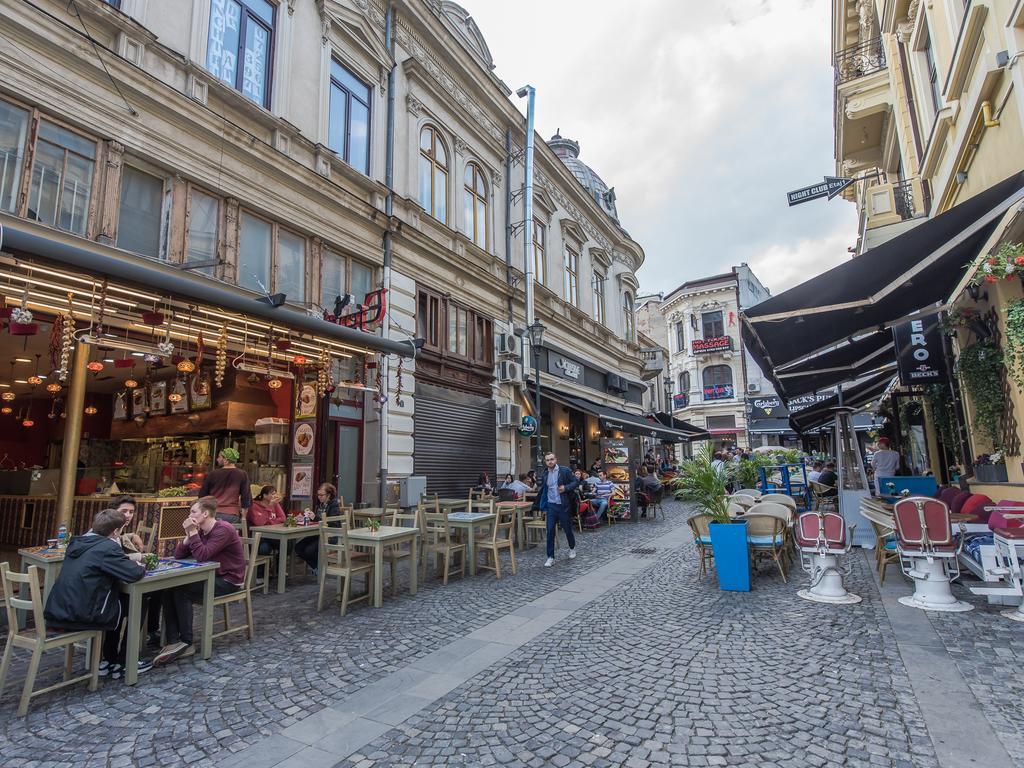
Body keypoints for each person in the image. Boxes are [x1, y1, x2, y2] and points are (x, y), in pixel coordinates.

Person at [44, 508, 148, 679]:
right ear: (115, 531)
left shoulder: (76, 543)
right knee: (138, 601)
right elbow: (134, 574)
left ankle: (108, 660)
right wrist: (140, 564)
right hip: (83, 614)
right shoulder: (107, 547)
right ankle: (124, 662)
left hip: (59, 610)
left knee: (119, 600)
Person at [154, 497, 245, 666]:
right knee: (169, 589)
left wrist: (193, 533)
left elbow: (202, 555)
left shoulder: (223, 529)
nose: (189, 515)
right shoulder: (201, 530)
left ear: (205, 513)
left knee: (182, 592)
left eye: (193, 512)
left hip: (228, 579)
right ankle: (174, 640)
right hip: (211, 575)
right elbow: (179, 555)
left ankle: (187, 643)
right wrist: (189, 536)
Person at [538, 452, 578, 567]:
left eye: (552, 459)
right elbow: (545, 489)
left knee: (567, 529)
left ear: (556, 459)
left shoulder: (564, 471)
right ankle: (550, 557)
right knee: (550, 531)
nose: (550, 461)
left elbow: (575, 482)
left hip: (563, 505)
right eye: (547, 460)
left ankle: (572, 548)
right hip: (551, 506)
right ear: (545, 462)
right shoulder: (545, 473)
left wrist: (565, 488)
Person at [294, 483, 341, 573]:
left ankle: (320, 568)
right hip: (318, 533)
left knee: (309, 550)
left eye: (321, 495)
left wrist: (315, 517)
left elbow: (332, 523)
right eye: (318, 495)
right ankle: (317, 567)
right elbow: (316, 520)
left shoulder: (334, 505)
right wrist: (305, 517)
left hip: (330, 535)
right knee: (298, 547)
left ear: (329, 495)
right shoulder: (319, 504)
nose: (319, 497)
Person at [197, 447, 252, 524]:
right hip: (232, 515)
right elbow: (246, 497)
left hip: (213, 513)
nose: (217, 459)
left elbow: (202, 496)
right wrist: (243, 517)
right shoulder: (242, 474)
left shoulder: (213, 474)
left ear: (225, 460)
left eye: (219, 457)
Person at [247, 486, 287, 554]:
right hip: (257, 537)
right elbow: (259, 522)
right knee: (265, 549)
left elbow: (283, 518)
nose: (275, 496)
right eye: (272, 494)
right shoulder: (254, 506)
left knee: (287, 544)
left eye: (275, 494)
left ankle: (279, 564)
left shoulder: (275, 504)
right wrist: (269, 506)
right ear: (265, 495)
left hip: (272, 534)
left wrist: (269, 521)